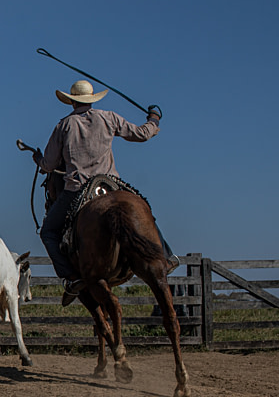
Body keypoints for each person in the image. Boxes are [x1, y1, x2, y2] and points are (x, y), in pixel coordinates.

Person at [32, 79, 177, 295]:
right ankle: (165, 256)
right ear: (91, 99)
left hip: (78, 188)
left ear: (71, 102)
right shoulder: (108, 117)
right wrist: (153, 120)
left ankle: (71, 278)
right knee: (143, 210)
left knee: (48, 232)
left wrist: (38, 160)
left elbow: (50, 165)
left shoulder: (64, 125)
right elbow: (141, 134)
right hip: (110, 184)